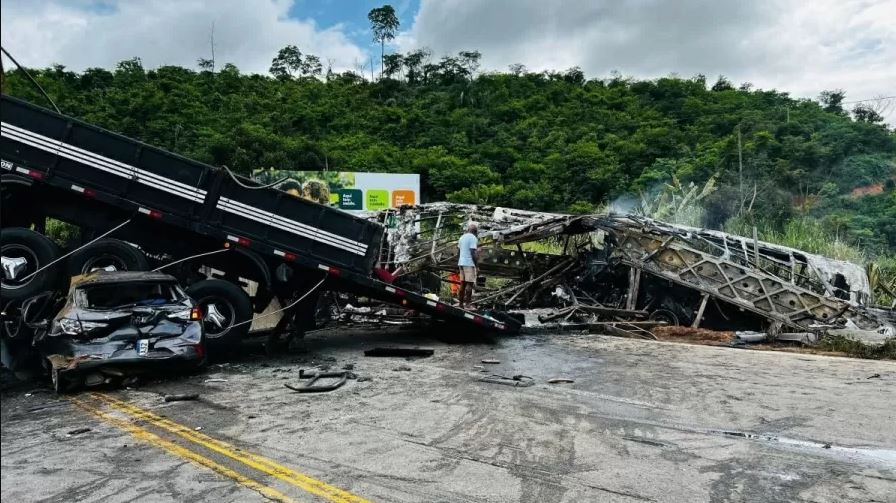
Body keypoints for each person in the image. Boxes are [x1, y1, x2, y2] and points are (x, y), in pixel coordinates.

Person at [457, 222, 479, 309]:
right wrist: (476, 266)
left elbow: (458, 252)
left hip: (461, 263)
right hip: (469, 263)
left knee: (462, 284)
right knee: (469, 285)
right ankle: (468, 304)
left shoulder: (462, 237)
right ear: (475, 231)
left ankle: (461, 304)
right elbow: (472, 253)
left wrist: (458, 262)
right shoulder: (473, 238)